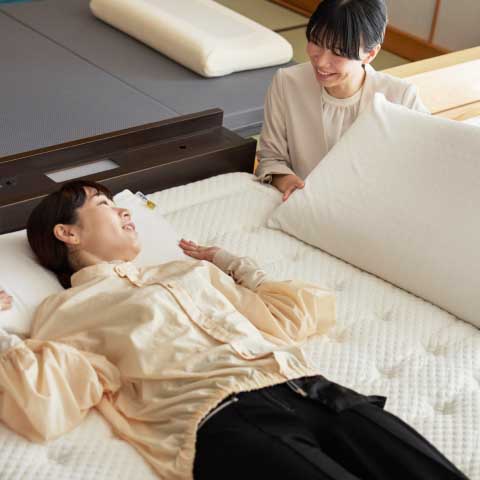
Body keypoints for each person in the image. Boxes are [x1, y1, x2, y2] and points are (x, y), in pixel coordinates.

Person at [0, 180, 468, 480]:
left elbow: (288, 318)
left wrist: (234, 266)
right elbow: (42, 397)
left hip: (311, 388)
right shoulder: (67, 310)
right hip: (225, 419)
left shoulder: (187, 272)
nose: (125, 213)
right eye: (106, 205)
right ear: (68, 233)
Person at [256, 0, 429, 201]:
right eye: (316, 41)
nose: (321, 62)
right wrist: (287, 181)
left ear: (370, 54)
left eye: (338, 52)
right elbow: (270, 157)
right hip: (302, 206)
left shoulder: (401, 98)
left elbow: (425, 165)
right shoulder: (287, 83)